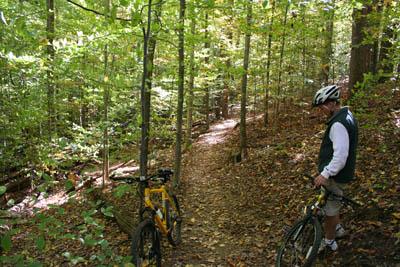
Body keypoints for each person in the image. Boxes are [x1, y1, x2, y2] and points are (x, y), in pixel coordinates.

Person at [312, 84, 358, 252]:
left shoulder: (338, 124)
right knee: (334, 202)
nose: (321, 110)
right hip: (341, 175)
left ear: (332, 104)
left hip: (335, 177)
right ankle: (337, 229)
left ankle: (330, 241)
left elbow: (340, 156)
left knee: (330, 210)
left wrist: (325, 174)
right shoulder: (347, 115)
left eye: (322, 106)